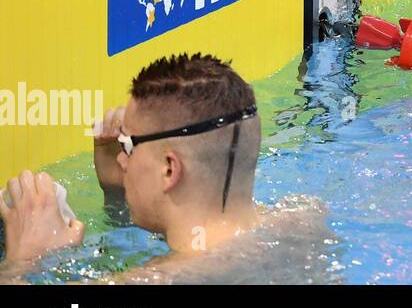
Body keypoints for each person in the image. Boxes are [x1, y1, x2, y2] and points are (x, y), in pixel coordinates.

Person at [1, 53, 329, 283]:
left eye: (128, 146)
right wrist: (118, 199)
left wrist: (23, 262)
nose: (120, 158)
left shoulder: (158, 281)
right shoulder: (303, 221)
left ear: (170, 169)